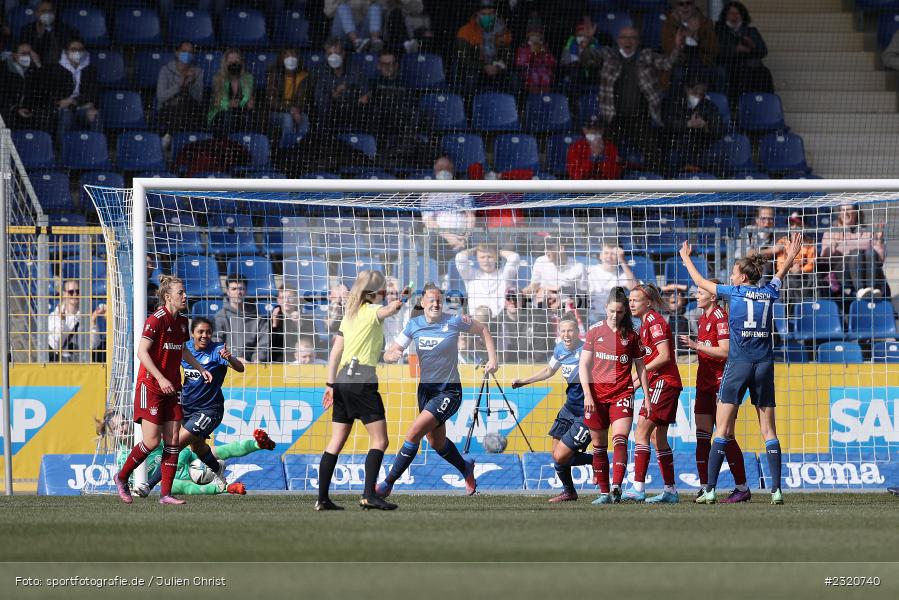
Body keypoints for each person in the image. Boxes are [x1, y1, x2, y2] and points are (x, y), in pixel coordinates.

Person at [680, 233, 804, 505]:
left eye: (734, 273)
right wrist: (791, 256)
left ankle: (710, 490)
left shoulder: (733, 292)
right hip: (764, 366)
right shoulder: (769, 292)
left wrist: (686, 258)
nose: (731, 277)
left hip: (737, 365)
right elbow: (779, 275)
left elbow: (700, 282)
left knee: (722, 430)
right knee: (769, 431)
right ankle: (776, 491)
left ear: (742, 278)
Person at [377, 284, 496, 497]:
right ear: (422, 303)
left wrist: (493, 359)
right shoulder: (414, 325)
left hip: (449, 391)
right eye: (431, 300)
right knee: (436, 442)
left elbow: (483, 329)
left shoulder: (454, 321)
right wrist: (390, 356)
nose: (436, 303)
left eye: (439, 299)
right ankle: (466, 468)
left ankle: (386, 484)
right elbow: (392, 350)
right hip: (426, 391)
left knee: (413, 433)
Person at [114, 275, 214, 505]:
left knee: (172, 441)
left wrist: (200, 368)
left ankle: (165, 494)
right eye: (180, 293)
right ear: (168, 297)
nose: (185, 296)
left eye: (185, 292)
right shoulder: (155, 320)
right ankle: (121, 477)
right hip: (151, 386)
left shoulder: (182, 321)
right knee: (150, 442)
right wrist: (160, 378)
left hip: (172, 387)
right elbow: (142, 352)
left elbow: (183, 350)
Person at [315, 270, 408, 511]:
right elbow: (388, 311)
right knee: (380, 439)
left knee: (336, 440)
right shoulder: (370, 311)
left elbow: (335, 353)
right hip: (362, 380)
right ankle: (368, 494)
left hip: (343, 379)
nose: (386, 294)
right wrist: (401, 301)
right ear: (376, 292)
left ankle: (322, 499)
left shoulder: (350, 315)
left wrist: (330, 384)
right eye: (384, 290)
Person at [137, 317, 249, 495]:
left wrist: (231, 358)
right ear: (192, 334)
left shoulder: (218, 350)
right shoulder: (185, 348)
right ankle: (217, 469)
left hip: (210, 410)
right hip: (187, 408)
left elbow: (240, 368)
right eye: (200, 332)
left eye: (208, 332)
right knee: (197, 448)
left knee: (175, 444)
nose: (205, 336)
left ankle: (148, 486)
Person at [678, 280, 751, 502]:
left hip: (721, 384)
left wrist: (696, 346)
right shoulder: (703, 319)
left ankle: (742, 487)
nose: (697, 296)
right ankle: (705, 487)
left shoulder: (720, 317)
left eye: (701, 292)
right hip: (704, 384)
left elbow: (726, 351)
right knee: (702, 437)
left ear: (712, 296)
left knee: (726, 435)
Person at [579, 286, 651, 504]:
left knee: (620, 439)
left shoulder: (631, 335)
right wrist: (587, 395)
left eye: (619, 312)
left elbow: (641, 367)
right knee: (599, 446)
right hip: (596, 396)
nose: (615, 315)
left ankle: (617, 486)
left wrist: (647, 397)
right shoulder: (594, 331)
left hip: (622, 392)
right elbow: (583, 365)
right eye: (611, 311)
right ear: (605, 308)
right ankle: (603, 493)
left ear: (625, 312)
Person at [512, 317, 592, 502]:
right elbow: (549, 371)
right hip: (569, 408)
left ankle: (597, 462)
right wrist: (524, 382)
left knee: (560, 455)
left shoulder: (588, 349)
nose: (566, 335)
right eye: (562, 331)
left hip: (586, 411)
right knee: (556, 455)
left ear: (577, 332)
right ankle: (569, 491)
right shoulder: (560, 350)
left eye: (570, 330)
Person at [623, 283, 684, 503]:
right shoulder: (644, 324)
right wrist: (635, 383)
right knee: (658, 440)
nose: (631, 303)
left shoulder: (654, 322)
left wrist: (639, 375)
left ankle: (638, 488)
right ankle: (670, 490)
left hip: (664, 383)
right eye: (629, 299)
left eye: (635, 300)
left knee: (641, 433)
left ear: (648, 302)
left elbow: (664, 356)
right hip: (661, 383)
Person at [595, 27, 685, 172]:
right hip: (613, 118)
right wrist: (586, 42)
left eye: (632, 38)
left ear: (637, 42)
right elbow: (588, 59)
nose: (628, 41)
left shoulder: (646, 55)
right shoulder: (608, 54)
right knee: (607, 153)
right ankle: (608, 188)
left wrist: (677, 46)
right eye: (624, 37)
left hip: (640, 118)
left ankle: (658, 188)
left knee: (654, 154)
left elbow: (667, 63)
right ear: (618, 41)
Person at [820, 203, 888, 300]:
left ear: (856, 212)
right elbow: (824, 259)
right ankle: (860, 290)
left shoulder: (867, 231)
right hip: (842, 273)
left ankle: (871, 289)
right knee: (856, 253)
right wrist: (833, 245)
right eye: (842, 210)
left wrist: (879, 240)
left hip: (867, 272)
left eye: (848, 209)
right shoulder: (832, 231)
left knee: (870, 252)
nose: (845, 213)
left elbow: (880, 260)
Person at [661, 74, 723, 174]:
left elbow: (719, 129)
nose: (697, 96)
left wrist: (706, 126)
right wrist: (688, 124)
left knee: (711, 158)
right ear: (687, 89)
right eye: (694, 91)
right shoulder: (673, 102)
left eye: (701, 93)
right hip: (676, 145)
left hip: (700, 147)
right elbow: (667, 123)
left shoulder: (708, 106)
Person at [43, 37, 100, 143]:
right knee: (66, 115)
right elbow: (56, 96)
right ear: (66, 51)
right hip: (64, 108)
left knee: (94, 114)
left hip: (81, 106)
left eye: (80, 50)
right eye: (73, 49)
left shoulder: (90, 70)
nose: (77, 52)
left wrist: (74, 101)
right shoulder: (56, 70)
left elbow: (92, 93)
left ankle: (96, 147)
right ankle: (62, 150)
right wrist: (75, 103)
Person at [715, 1, 772, 105]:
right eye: (731, 13)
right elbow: (716, 52)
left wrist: (752, 46)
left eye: (737, 13)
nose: (734, 16)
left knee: (765, 73)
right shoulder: (719, 31)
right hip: (730, 66)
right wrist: (735, 50)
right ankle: (735, 108)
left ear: (742, 15)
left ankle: (764, 104)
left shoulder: (751, 31)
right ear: (725, 15)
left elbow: (763, 51)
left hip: (750, 67)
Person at [454, 0, 514, 95]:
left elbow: (509, 55)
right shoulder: (465, 31)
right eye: (483, 13)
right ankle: (469, 107)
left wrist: (499, 66)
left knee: (513, 79)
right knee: (471, 77)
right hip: (477, 68)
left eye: (490, 13)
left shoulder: (503, 30)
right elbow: (463, 58)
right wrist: (484, 67)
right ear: (477, 14)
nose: (487, 16)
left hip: (496, 67)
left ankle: (507, 107)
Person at [312, 37, 371, 133]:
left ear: (343, 54)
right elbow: (319, 97)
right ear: (325, 56)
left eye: (337, 53)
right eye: (329, 54)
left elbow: (365, 91)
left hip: (352, 110)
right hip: (331, 111)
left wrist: (364, 96)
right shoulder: (320, 71)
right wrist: (333, 96)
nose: (333, 57)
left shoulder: (355, 69)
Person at [661, 0, 721, 91]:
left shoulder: (705, 22)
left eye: (688, 3)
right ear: (676, 7)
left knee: (720, 73)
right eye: (681, 4)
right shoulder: (669, 24)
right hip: (678, 64)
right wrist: (687, 35)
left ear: (694, 5)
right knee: (678, 75)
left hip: (703, 62)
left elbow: (714, 48)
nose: (685, 7)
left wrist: (695, 36)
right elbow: (668, 49)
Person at [214, 276, 271, 363]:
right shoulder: (220, 316)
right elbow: (217, 343)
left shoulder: (257, 316)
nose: (238, 292)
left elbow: (264, 341)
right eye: (234, 289)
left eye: (241, 289)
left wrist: (257, 359)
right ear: (228, 292)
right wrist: (233, 359)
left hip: (253, 365)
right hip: (228, 363)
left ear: (246, 291)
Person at [454, 245, 521, 317]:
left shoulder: (504, 275)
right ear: (477, 258)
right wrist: (475, 250)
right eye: (482, 257)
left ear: (496, 258)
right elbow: (459, 258)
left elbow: (514, 258)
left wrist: (498, 251)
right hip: (476, 320)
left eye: (490, 257)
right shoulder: (471, 275)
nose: (486, 260)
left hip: (497, 320)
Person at [47, 279, 105, 362]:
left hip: (81, 363)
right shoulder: (53, 317)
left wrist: (93, 322)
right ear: (64, 294)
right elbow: (55, 345)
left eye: (78, 291)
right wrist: (62, 321)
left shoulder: (87, 315)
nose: (75, 294)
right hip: (60, 364)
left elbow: (93, 345)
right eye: (71, 292)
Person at [156, 41, 204, 136]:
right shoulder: (165, 70)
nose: (187, 54)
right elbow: (160, 97)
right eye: (184, 51)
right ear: (177, 52)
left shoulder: (198, 72)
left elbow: (199, 99)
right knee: (180, 110)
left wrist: (193, 82)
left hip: (190, 109)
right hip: (168, 109)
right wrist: (179, 85)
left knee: (186, 104)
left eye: (190, 52)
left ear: (193, 56)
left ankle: (169, 137)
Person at [266, 48, 310, 149]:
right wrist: (290, 110)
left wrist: (297, 110)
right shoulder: (274, 74)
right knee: (287, 118)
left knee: (305, 119)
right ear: (281, 58)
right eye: (287, 56)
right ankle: (286, 150)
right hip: (275, 112)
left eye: (293, 55)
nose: (291, 58)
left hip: (296, 110)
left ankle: (304, 149)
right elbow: (271, 101)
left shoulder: (303, 76)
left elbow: (302, 99)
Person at [208, 49, 256, 135]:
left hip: (240, 113)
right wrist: (229, 104)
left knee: (248, 116)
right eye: (230, 59)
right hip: (220, 115)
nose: (234, 62)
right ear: (225, 63)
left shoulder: (248, 78)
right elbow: (216, 103)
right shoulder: (218, 78)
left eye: (237, 59)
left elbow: (248, 98)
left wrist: (249, 103)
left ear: (241, 62)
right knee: (228, 116)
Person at [586, 241, 637, 321]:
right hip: (593, 315)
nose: (609, 257)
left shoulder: (622, 274)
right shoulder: (590, 271)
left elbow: (634, 287)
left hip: (614, 316)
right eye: (606, 253)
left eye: (613, 254)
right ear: (600, 255)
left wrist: (623, 261)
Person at [0, 42, 44, 129]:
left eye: (29, 54)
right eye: (23, 53)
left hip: (28, 113)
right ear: (14, 55)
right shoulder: (3, 70)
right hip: (8, 112)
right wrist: (15, 109)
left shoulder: (33, 71)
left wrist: (38, 65)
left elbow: (44, 90)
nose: (27, 57)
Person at [566, 114, 622, 180]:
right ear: (584, 129)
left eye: (597, 127)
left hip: (605, 186)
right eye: (590, 127)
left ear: (602, 130)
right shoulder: (575, 147)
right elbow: (576, 175)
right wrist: (592, 157)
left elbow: (614, 175)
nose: (594, 130)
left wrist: (601, 156)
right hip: (582, 186)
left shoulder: (610, 147)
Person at [19, 2, 74, 68]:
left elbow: (68, 47)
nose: (47, 14)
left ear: (54, 13)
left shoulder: (64, 28)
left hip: (60, 66)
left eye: (50, 11)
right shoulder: (27, 29)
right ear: (37, 13)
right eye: (43, 11)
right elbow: (26, 50)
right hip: (38, 66)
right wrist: (40, 34)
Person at [270, 286, 316, 363]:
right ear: (278, 300)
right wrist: (274, 325)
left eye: (290, 297)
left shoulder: (307, 318)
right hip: (281, 362)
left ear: (296, 300)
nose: (286, 301)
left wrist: (300, 324)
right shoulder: (273, 318)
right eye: (283, 298)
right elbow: (272, 346)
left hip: (303, 362)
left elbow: (314, 342)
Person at [514, 29, 556, 94]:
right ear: (528, 36)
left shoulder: (544, 48)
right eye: (533, 35)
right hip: (528, 76)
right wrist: (530, 52)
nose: (535, 37)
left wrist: (543, 53)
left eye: (538, 35)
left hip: (544, 79)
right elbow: (521, 64)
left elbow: (553, 62)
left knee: (546, 77)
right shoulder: (523, 48)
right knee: (534, 76)